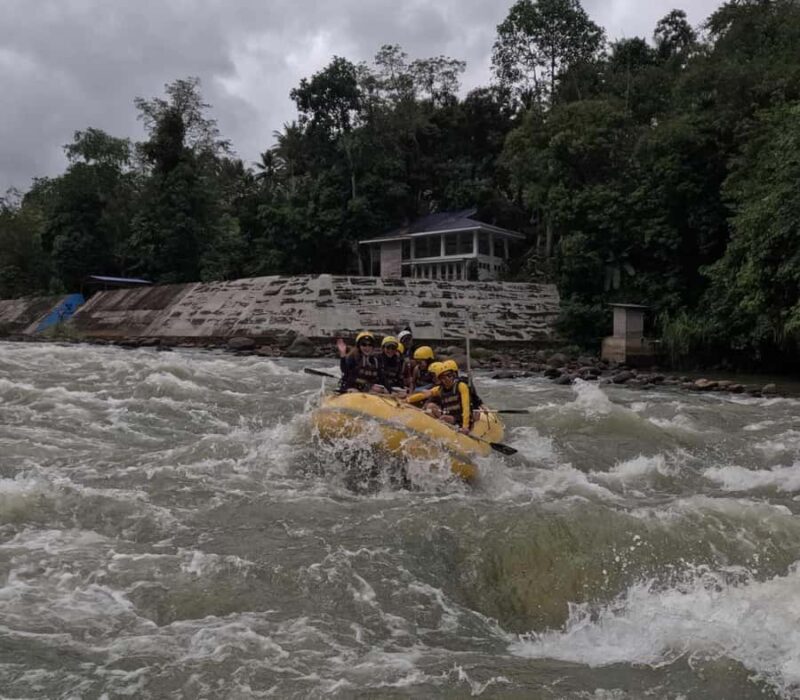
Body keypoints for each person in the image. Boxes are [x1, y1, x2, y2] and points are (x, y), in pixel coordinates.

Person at [406, 360, 472, 434]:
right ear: (440, 379)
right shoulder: (439, 389)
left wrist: (465, 426)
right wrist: (408, 400)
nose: (447, 379)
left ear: (453, 375)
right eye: (443, 378)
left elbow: (466, 407)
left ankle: (442, 430)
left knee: (444, 418)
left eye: (449, 375)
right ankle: (436, 431)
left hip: (459, 418)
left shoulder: (461, 386)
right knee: (430, 407)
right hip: (447, 414)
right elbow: (423, 395)